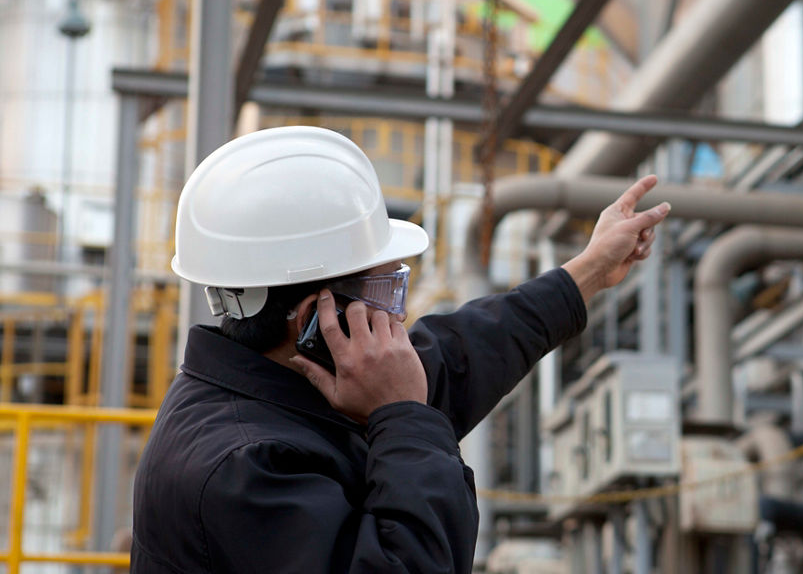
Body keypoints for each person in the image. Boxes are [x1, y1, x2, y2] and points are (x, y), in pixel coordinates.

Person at [130, 126, 670, 573]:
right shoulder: (245, 469)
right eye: (386, 290)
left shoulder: (285, 384)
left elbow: (458, 355)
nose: (399, 315)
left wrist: (589, 271)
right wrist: (405, 416)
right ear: (314, 318)